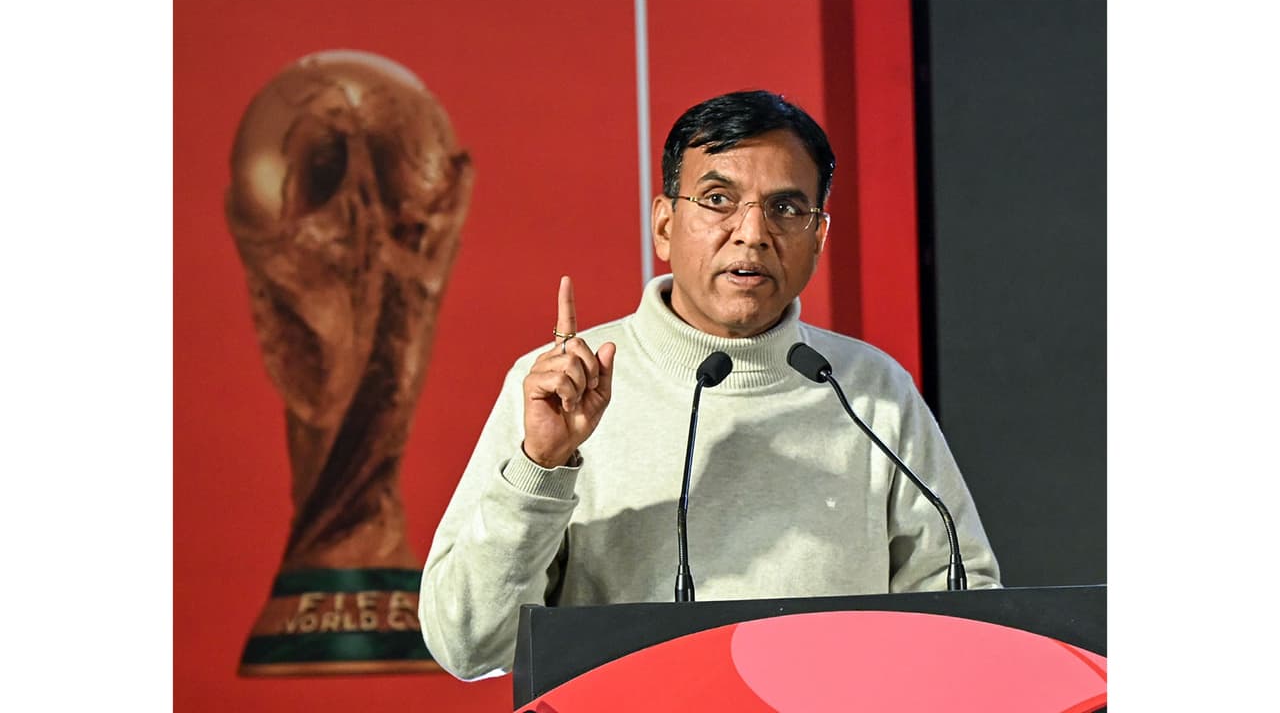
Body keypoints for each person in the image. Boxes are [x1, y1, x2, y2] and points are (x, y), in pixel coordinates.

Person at [418, 90, 1000, 681]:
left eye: (785, 208)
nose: (753, 233)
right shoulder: (564, 390)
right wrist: (541, 466)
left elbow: (967, 611)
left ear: (819, 236)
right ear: (664, 225)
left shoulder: (869, 390)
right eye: (719, 200)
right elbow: (470, 646)